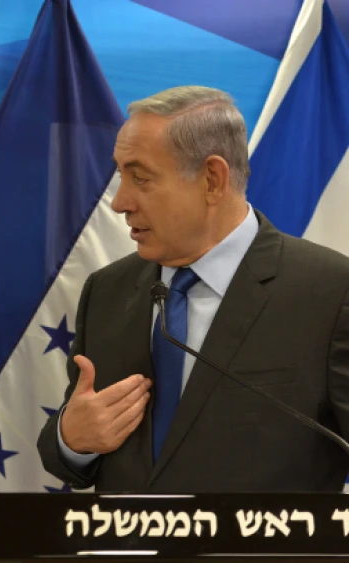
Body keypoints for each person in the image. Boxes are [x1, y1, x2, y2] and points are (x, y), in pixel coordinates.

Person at [37, 86, 349, 491]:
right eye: (120, 176)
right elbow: (70, 456)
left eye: (141, 178)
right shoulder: (107, 290)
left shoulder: (330, 293)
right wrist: (72, 439)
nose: (120, 202)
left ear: (212, 180)